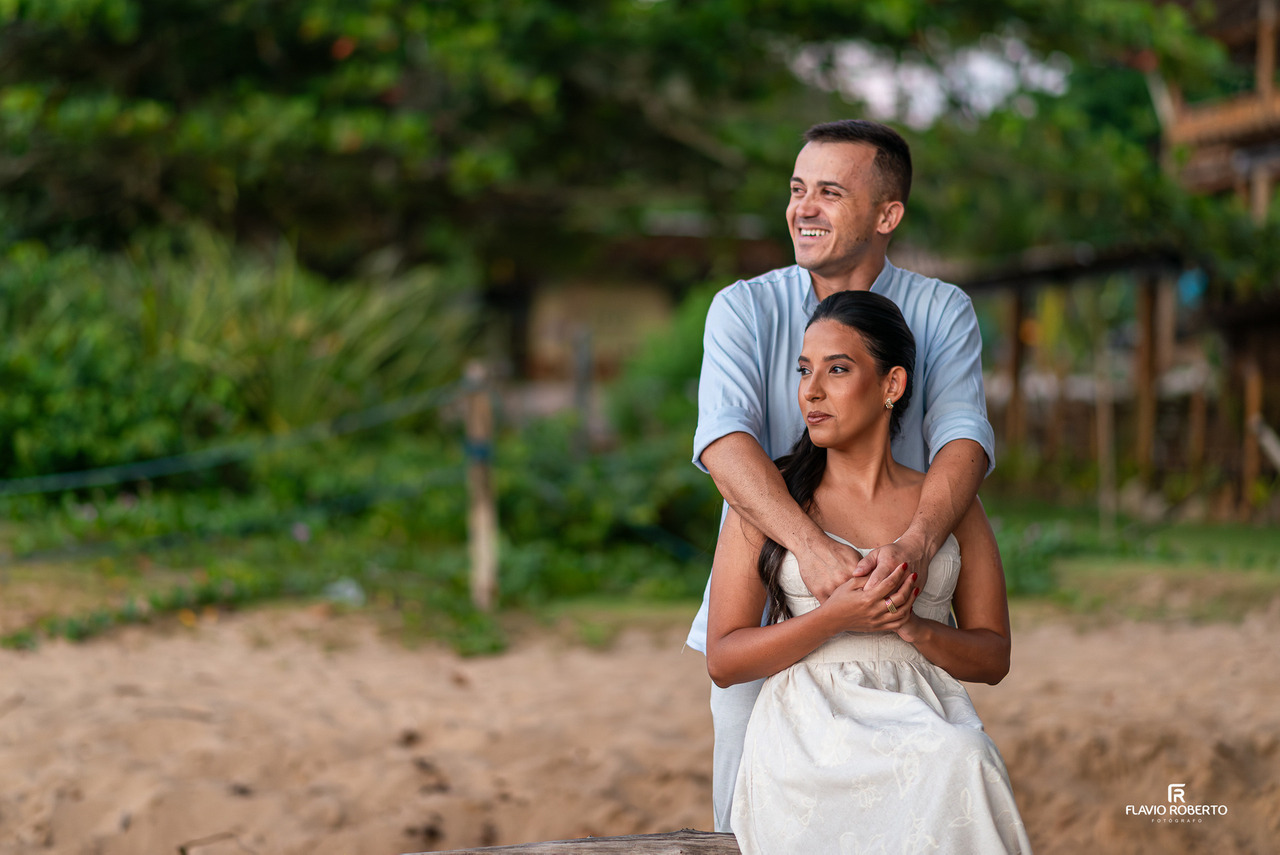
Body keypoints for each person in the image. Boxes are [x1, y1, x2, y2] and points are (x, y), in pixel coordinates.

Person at [686, 119, 996, 831]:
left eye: (829, 191)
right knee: (748, 822)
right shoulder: (742, 308)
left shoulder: (943, 312)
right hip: (765, 613)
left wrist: (914, 549)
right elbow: (725, 445)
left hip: (898, 628)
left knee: (934, 796)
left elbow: (963, 440)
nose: (803, 208)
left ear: (888, 214)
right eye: (798, 190)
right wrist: (816, 553)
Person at [707, 289, 1030, 853]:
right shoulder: (772, 501)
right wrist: (834, 617)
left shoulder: (948, 503)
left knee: (964, 755)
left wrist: (913, 626)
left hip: (928, 717)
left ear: (892, 385)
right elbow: (723, 660)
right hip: (808, 734)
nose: (811, 390)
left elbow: (994, 657)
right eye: (805, 370)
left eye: (837, 369)